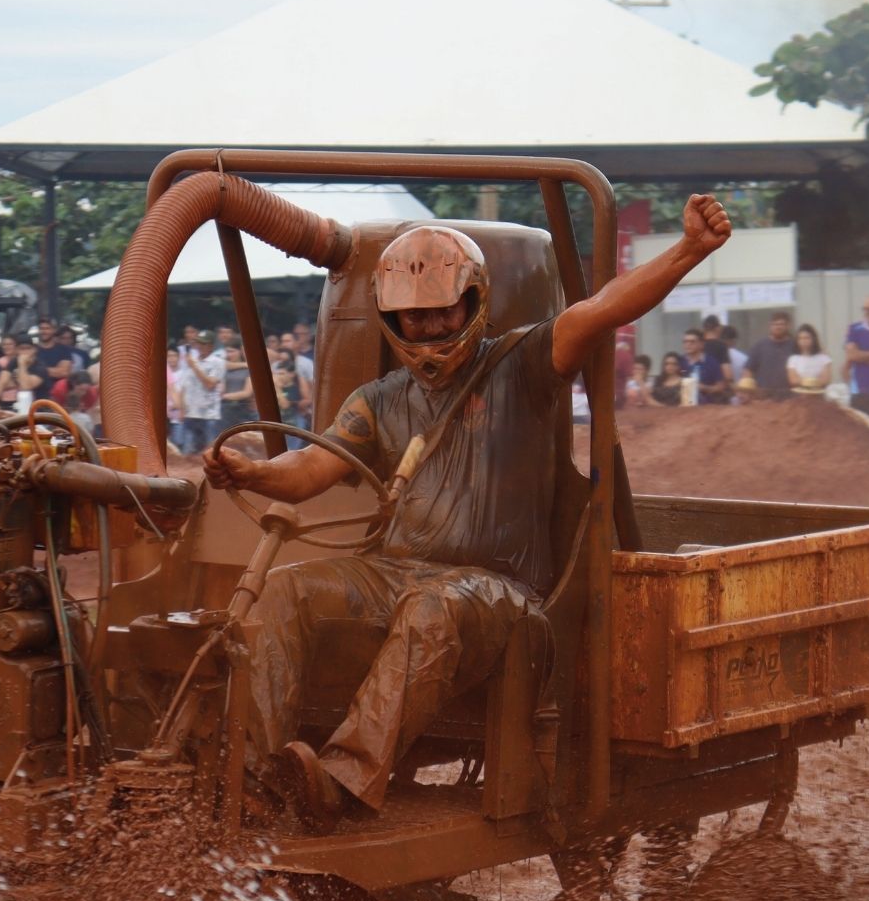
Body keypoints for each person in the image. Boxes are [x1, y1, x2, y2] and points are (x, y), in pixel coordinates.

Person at [202, 196, 735, 828]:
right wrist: (254, 472)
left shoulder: (525, 362)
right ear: (389, 317)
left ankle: (343, 783)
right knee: (287, 590)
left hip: (501, 594)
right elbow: (309, 471)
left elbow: (602, 309)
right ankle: (260, 777)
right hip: (397, 574)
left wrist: (690, 249)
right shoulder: (377, 401)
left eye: (441, 312)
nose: (428, 329)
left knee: (437, 606)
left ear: (474, 301)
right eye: (412, 317)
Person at [176, 331, 226, 453]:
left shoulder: (217, 362)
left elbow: (209, 384)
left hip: (208, 415)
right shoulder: (191, 361)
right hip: (190, 414)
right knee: (187, 451)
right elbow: (184, 387)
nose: (200, 346)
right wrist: (182, 410)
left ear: (211, 346)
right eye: (199, 343)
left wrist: (194, 366)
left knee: (209, 451)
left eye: (204, 344)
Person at [744, 311, 795, 400]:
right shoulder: (759, 346)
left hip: (789, 398)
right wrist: (747, 391)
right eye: (775, 324)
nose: (778, 327)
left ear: (788, 326)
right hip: (763, 398)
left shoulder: (795, 346)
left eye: (781, 324)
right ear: (770, 326)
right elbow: (748, 370)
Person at [678, 329, 727, 404]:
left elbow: (721, 387)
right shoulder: (680, 362)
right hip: (683, 405)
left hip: (706, 407)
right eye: (685, 342)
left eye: (692, 342)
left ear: (702, 344)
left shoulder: (711, 362)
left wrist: (704, 388)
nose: (688, 344)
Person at [786, 324, 832, 394]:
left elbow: (825, 380)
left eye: (806, 338)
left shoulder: (824, 358)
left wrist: (804, 381)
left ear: (813, 339)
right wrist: (813, 382)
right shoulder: (793, 359)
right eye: (800, 338)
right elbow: (793, 380)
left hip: (819, 396)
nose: (803, 341)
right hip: (799, 396)